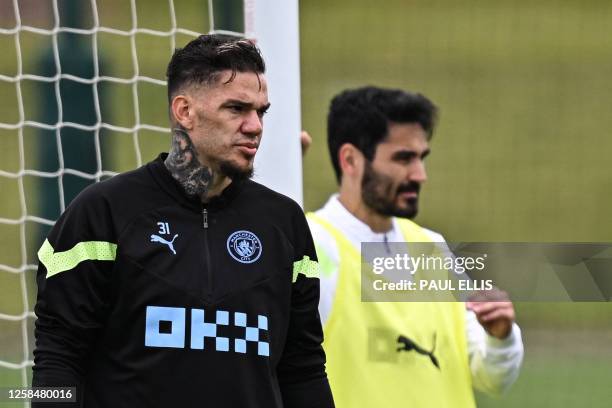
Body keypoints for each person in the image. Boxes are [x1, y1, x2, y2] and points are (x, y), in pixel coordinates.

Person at [32, 34, 334, 408]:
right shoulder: (102, 213)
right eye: (237, 109)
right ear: (184, 111)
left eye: (261, 111)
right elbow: (55, 361)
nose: (255, 126)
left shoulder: (283, 222)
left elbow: (303, 368)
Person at [307, 86, 523, 407]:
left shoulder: (431, 248)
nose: (420, 175)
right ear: (351, 160)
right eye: (403, 158)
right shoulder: (314, 246)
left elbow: (490, 377)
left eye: (421, 158)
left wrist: (500, 337)